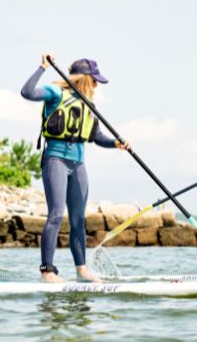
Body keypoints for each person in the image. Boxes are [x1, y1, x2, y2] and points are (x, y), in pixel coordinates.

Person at [21, 54, 130, 283]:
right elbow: (27, 92)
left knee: (79, 219)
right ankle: (47, 271)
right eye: (94, 80)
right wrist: (43, 67)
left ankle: (81, 271)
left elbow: (96, 136)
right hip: (56, 160)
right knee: (56, 214)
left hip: (78, 164)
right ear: (84, 78)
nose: (97, 85)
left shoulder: (89, 105)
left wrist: (115, 144)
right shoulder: (55, 93)